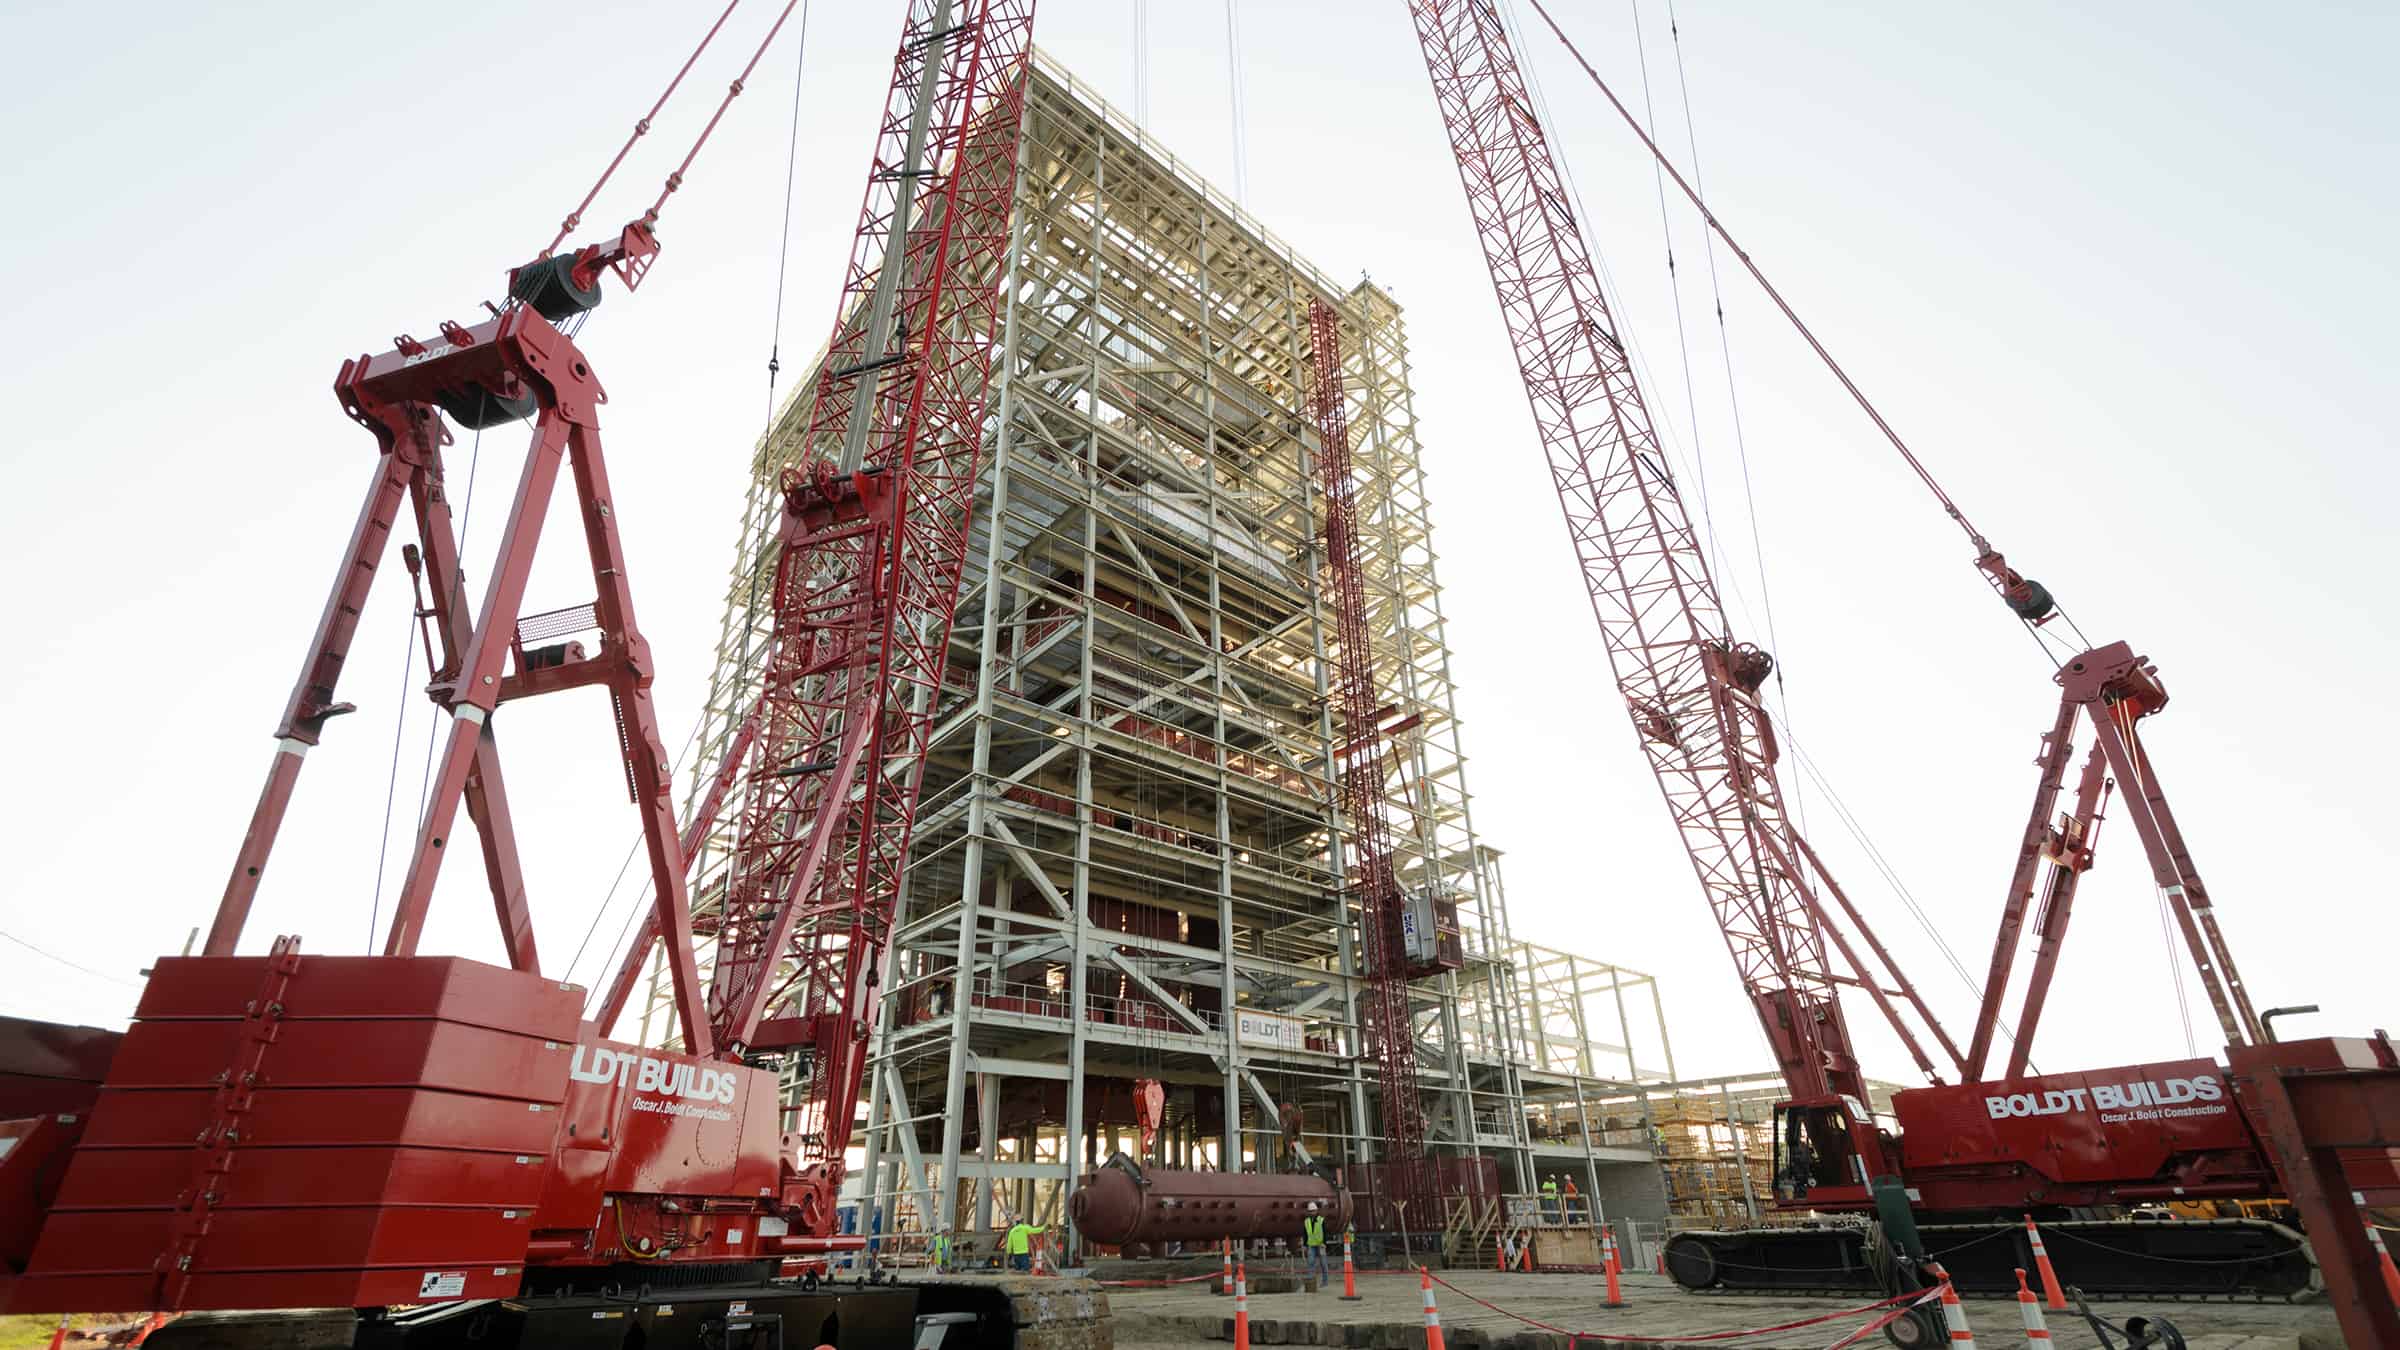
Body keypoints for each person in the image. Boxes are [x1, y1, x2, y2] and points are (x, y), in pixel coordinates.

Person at [1301, 1203, 1330, 1291]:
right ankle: (1312, 1282)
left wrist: (1324, 1243)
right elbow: (1305, 1234)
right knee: (1310, 1263)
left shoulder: (1321, 1220)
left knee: (1323, 1264)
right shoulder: (1306, 1221)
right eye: (1310, 1211)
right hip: (1311, 1245)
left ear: (1316, 1211)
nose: (1312, 1212)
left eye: (1313, 1211)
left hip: (1320, 1245)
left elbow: (1325, 1232)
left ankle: (1325, 1282)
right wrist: (1305, 1245)